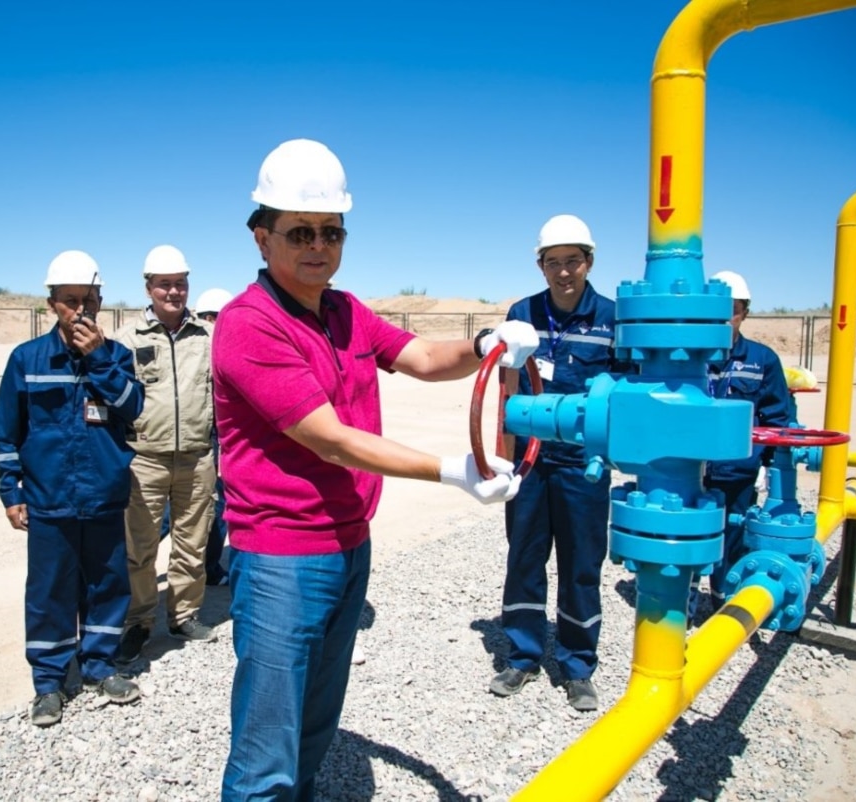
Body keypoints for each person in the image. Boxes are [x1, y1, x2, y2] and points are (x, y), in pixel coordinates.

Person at [212, 137, 538, 801]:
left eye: (332, 231)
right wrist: (454, 470)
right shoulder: (249, 325)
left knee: (313, 728)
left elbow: (422, 357)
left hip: (349, 543)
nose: (318, 245)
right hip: (281, 557)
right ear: (261, 238)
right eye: (300, 231)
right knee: (266, 750)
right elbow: (330, 440)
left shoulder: (345, 311)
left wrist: (486, 342)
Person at [0, 250, 144, 727]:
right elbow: (7, 433)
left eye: (88, 300)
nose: (80, 309)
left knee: (107, 584)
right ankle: (49, 683)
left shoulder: (116, 356)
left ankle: (100, 667)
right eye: (69, 300)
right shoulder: (27, 359)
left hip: (104, 494)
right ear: (51, 303)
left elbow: (132, 407)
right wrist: (11, 493)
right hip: (48, 498)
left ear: (100, 301)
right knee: (49, 591)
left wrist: (98, 358)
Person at [490, 214, 617, 713]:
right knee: (524, 556)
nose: (563, 272)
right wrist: (503, 458)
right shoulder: (522, 314)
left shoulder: (612, 319)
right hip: (530, 462)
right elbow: (505, 386)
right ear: (540, 266)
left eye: (573, 261)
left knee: (581, 562)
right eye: (553, 262)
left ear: (589, 262)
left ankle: (578, 665)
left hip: (584, 464)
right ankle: (522, 655)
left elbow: (624, 391)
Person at [114, 244, 218, 663]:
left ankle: (184, 615)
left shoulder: (208, 337)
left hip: (197, 457)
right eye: (164, 285)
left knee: (192, 543)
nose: (173, 292)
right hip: (145, 459)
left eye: (180, 283)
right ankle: (138, 622)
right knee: (138, 549)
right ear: (148, 288)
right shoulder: (126, 339)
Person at [691, 270, 792, 616]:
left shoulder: (762, 361)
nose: (724, 319)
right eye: (715, 310)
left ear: (744, 312)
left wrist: (767, 465)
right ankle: (684, 604)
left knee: (733, 540)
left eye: (731, 310)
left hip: (737, 473)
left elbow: (777, 419)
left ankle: (724, 606)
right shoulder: (687, 356)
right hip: (691, 471)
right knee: (689, 538)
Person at [194, 287, 234, 585]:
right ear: (210, 318)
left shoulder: (193, 346)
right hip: (208, 436)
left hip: (204, 434)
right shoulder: (213, 347)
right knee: (217, 504)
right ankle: (210, 568)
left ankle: (209, 567)